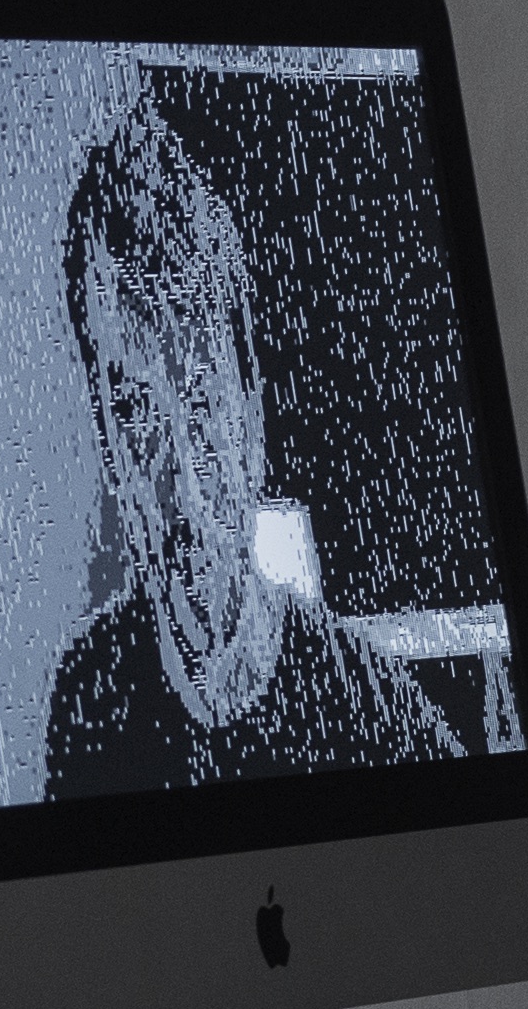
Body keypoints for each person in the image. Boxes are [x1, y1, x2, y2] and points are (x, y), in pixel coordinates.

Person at [44, 95, 462, 798]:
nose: (181, 480)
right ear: (107, 443)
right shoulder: (87, 696)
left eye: (201, 400)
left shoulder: (378, 712)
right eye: (137, 410)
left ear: (253, 412)